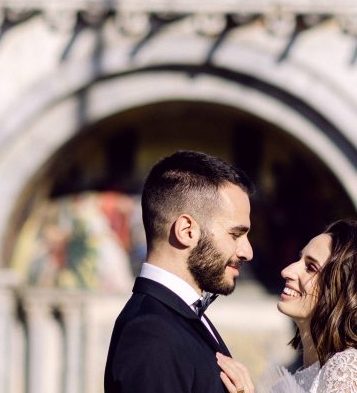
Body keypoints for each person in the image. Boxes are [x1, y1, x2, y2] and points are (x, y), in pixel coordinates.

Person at [104, 151, 256, 393]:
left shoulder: (178, 316)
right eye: (235, 234)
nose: (247, 252)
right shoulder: (151, 333)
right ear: (187, 230)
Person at [223, 220, 357, 393]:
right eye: (300, 259)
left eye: (311, 267)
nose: (287, 271)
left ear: (343, 291)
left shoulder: (347, 368)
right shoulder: (313, 370)